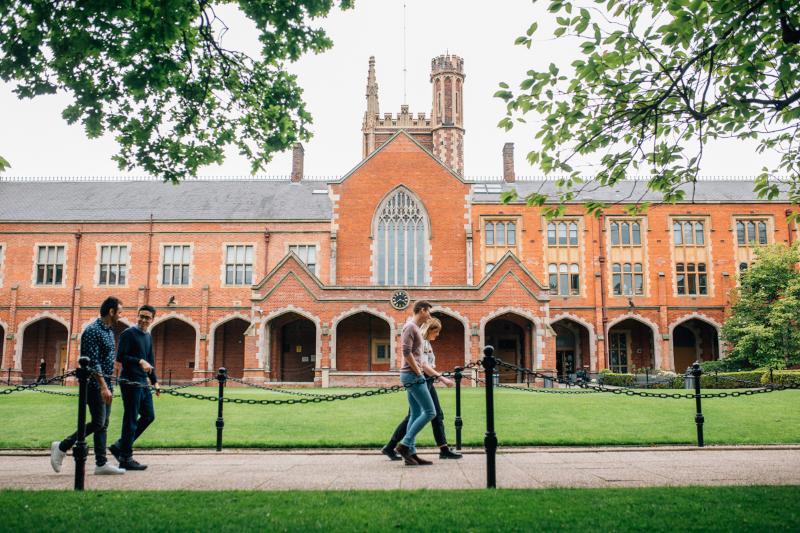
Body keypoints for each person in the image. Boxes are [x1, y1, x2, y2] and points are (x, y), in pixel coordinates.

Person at [50, 296, 126, 475]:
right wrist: (103, 386)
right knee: (99, 422)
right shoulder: (92, 330)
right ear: (111, 311)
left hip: (107, 383)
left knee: (104, 424)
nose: (121, 316)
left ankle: (101, 463)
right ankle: (62, 446)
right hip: (94, 385)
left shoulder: (108, 330)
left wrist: (109, 383)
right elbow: (93, 362)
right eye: (120, 312)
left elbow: (106, 358)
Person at [382, 317, 462, 461]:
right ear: (429, 329)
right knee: (428, 413)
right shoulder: (422, 343)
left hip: (426, 379)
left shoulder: (426, 343)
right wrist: (442, 378)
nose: (437, 335)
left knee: (422, 414)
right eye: (436, 331)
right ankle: (403, 446)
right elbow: (424, 365)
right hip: (422, 379)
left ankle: (396, 447)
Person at [109, 304, 160, 471]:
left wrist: (155, 381)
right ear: (137, 316)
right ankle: (125, 457)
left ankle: (120, 446)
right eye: (141, 316)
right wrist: (139, 361)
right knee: (130, 419)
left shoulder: (148, 336)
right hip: (129, 381)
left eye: (147, 317)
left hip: (142, 382)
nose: (144, 320)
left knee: (149, 416)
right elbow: (121, 357)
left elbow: (150, 359)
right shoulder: (128, 334)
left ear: (152, 319)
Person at [394, 300, 437, 466]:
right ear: (422, 310)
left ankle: (411, 453)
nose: (430, 316)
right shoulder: (410, 327)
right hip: (412, 375)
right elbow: (406, 352)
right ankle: (404, 445)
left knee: (415, 414)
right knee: (430, 412)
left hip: (411, 375)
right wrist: (419, 372)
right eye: (429, 312)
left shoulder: (415, 328)